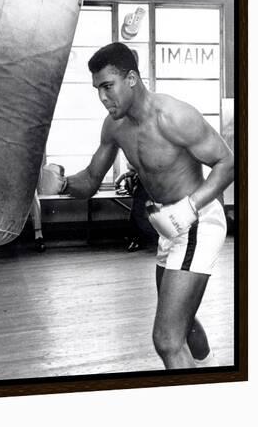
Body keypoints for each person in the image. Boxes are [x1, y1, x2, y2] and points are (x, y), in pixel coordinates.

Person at [43, 42, 234, 370]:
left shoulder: (173, 116)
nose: (103, 97)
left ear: (131, 78)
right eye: (97, 90)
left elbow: (228, 162)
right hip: (167, 226)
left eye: (108, 86)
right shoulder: (114, 126)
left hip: (198, 220)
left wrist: (190, 206)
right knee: (182, 324)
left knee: (166, 339)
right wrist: (61, 183)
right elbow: (90, 179)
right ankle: (210, 372)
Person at [115, 167, 159, 252]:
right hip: (142, 191)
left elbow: (134, 169)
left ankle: (148, 239)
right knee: (134, 217)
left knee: (139, 217)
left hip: (146, 192)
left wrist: (123, 176)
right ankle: (137, 239)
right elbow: (132, 170)